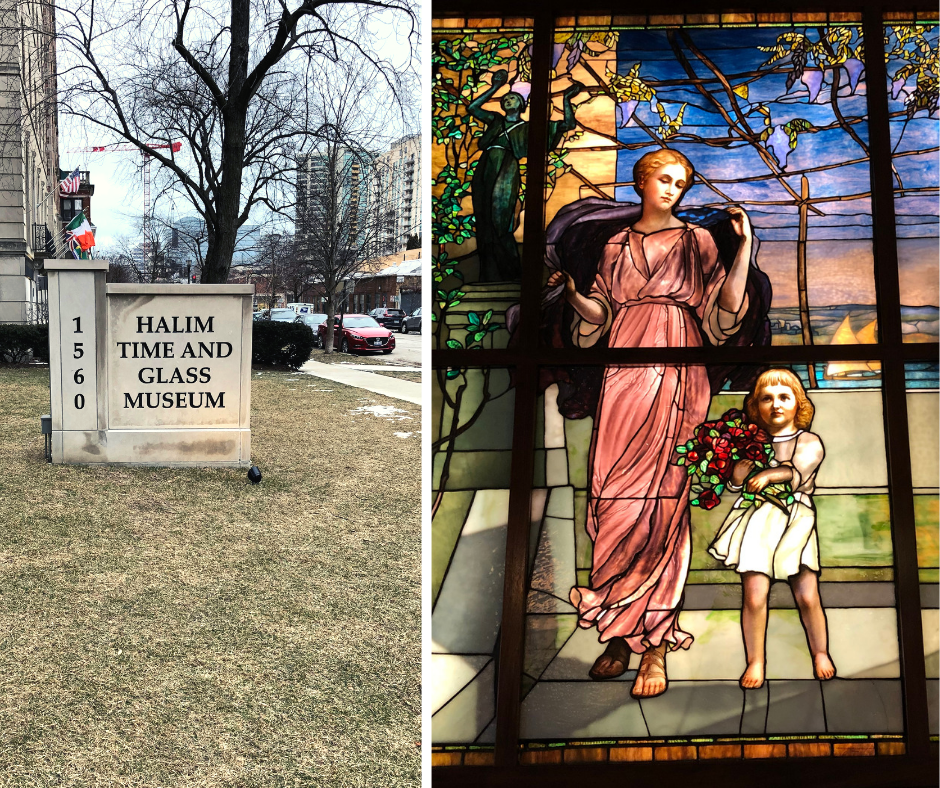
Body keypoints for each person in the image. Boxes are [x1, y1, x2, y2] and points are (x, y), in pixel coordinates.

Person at [545, 148, 755, 698]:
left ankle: (654, 647)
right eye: (664, 179)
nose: (674, 190)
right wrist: (569, 290)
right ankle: (617, 631)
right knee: (614, 495)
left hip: (680, 372)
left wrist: (745, 247)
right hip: (624, 373)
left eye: (682, 184)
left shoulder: (697, 242)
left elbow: (722, 314)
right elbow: (599, 313)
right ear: (641, 181)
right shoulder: (616, 245)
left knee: (665, 500)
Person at [708, 368, 836, 689]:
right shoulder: (751, 442)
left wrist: (768, 475)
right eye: (766, 398)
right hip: (757, 520)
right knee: (754, 596)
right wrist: (738, 475)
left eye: (784, 397)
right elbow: (738, 487)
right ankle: (755, 661)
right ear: (756, 406)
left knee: (807, 595)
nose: (775, 405)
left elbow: (796, 471)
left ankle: (820, 652)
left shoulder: (809, 440)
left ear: (798, 403)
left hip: (796, 520)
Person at [468, 72, 582, 282]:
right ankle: (489, 276)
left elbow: (567, 125)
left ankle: (513, 274)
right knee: (483, 223)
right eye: (505, 99)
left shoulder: (528, 128)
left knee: (500, 222)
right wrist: (495, 87)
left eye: (513, 98)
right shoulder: (495, 120)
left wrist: (566, 100)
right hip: (485, 169)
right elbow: (472, 108)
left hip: (507, 169)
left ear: (521, 105)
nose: (507, 99)